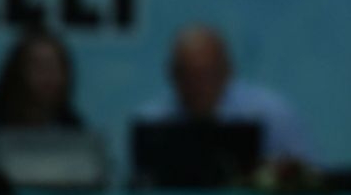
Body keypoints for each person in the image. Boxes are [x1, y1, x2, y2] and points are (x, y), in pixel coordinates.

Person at [133, 24, 314, 163]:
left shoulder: (273, 115)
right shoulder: (150, 121)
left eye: (208, 74)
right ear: (172, 74)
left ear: (228, 71)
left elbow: (309, 176)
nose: (199, 86)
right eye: (189, 75)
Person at [0, 27, 86, 130]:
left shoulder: (73, 130)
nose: (47, 76)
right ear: (18, 71)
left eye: (54, 67)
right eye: (39, 67)